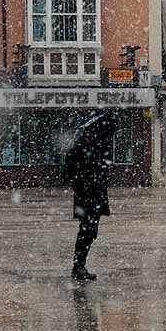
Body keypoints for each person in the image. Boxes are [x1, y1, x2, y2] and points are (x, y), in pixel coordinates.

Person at [63, 113, 117, 282]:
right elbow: (68, 172)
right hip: (87, 195)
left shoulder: (97, 147)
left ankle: (79, 265)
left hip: (96, 194)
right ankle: (78, 266)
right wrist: (82, 185)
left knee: (91, 231)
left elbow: (103, 169)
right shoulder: (79, 148)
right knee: (87, 230)